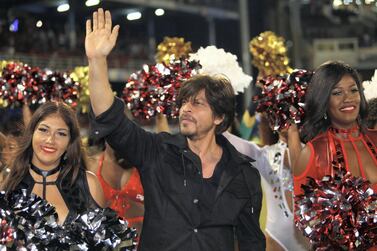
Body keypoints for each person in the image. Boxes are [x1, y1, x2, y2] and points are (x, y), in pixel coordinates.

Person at [86, 8, 265, 251]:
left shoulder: (244, 174)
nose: (185, 109)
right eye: (183, 102)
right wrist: (97, 61)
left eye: (197, 103)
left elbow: (251, 242)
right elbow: (111, 118)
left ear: (219, 117)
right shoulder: (156, 151)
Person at [1, 101, 106, 224]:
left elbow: (104, 237)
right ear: (32, 133)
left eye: (61, 134)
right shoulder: (6, 182)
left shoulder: (88, 184)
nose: (50, 140)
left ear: (70, 142)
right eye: (44, 130)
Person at [224, 114, 308, 251]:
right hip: (276, 238)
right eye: (280, 113)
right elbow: (229, 141)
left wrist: (294, 134)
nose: (285, 119)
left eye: (290, 114)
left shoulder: (316, 153)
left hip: (308, 237)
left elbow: (300, 169)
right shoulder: (264, 155)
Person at [294, 61, 377, 194]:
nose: (348, 98)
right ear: (323, 101)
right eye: (337, 93)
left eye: (353, 90)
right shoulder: (312, 154)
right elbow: (301, 212)